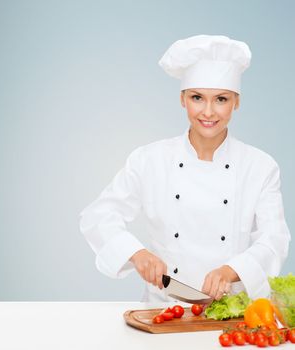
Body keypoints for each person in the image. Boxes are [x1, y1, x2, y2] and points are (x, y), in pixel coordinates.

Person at [79, 35, 291, 302]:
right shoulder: (149, 159)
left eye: (221, 99)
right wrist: (137, 253)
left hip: (228, 313)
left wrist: (231, 271)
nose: (209, 112)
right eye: (197, 98)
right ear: (182, 99)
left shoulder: (260, 166)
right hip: (163, 310)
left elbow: (275, 239)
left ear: (236, 102)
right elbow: (98, 216)